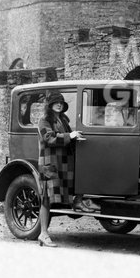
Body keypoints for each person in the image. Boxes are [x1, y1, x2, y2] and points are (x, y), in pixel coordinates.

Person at [37, 92, 99, 247]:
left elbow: (67, 137)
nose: (59, 105)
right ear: (50, 105)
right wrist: (69, 135)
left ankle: (78, 202)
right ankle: (43, 234)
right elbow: (49, 138)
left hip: (63, 163)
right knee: (46, 199)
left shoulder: (63, 120)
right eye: (56, 102)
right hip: (50, 163)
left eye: (61, 103)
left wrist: (76, 138)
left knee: (79, 178)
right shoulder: (43, 120)